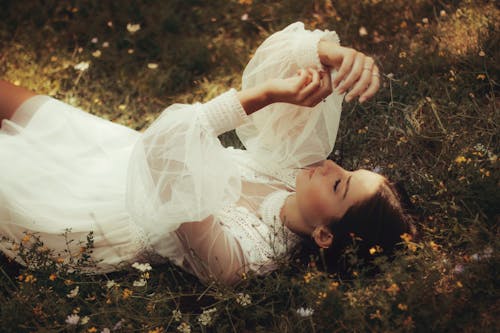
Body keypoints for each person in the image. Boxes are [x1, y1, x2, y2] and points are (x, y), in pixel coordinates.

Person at [0, 22, 414, 285]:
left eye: (339, 184)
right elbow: (280, 61)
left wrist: (265, 97)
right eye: (345, 168)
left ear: (324, 235)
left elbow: (164, 149)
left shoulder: (241, 260)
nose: (328, 166)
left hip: (88, 212)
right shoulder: (293, 174)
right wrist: (330, 54)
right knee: (29, 108)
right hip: (117, 156)